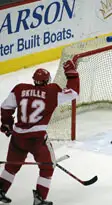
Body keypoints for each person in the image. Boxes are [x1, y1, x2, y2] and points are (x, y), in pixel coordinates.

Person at [0, 60, 79, 205]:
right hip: (37, 140)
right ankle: (40, 198)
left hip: (18, 138)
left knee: (11, 166)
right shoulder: (52, 91)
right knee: (47, 167)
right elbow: (73, 93)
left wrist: (7, 124)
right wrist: (71, 74)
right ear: (47, 80)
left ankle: (1, 190)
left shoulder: (19, 89)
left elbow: (5, 107)